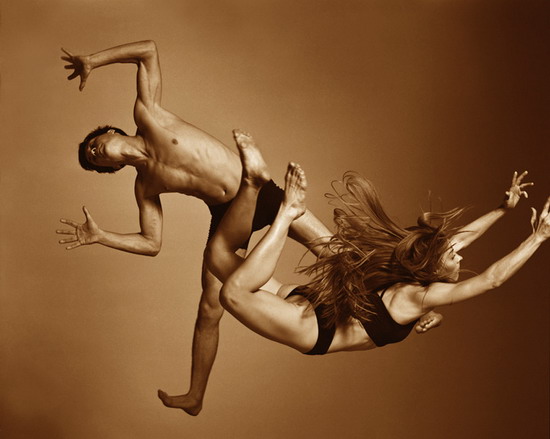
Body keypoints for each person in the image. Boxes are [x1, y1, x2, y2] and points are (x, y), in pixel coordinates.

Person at [56, 40, 333, 416]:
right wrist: (102, 236)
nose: (95, 153)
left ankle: (401, 296)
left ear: (111, 132)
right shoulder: (145, 187)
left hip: (260, 191)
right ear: (112, 169)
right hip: (227, 215)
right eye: (94, 161)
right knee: (210, 308)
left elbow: (148, 50)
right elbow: (151, 242)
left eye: (93, 145)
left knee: (333, 252)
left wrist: (92, 60)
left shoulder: (150, 115)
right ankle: (195, 396)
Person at [196, 131, 546, 360]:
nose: (461, 252)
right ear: (433, 266)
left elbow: (463, 240)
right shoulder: (419, 294)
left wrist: (503, 210)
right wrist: (537, 237)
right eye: (453, 254)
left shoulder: (413, 277)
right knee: (233, 294)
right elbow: (491, 280)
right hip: (307, 325)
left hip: (307, 304)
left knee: (216, 256)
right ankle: (284, 211)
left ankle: (253, 186)